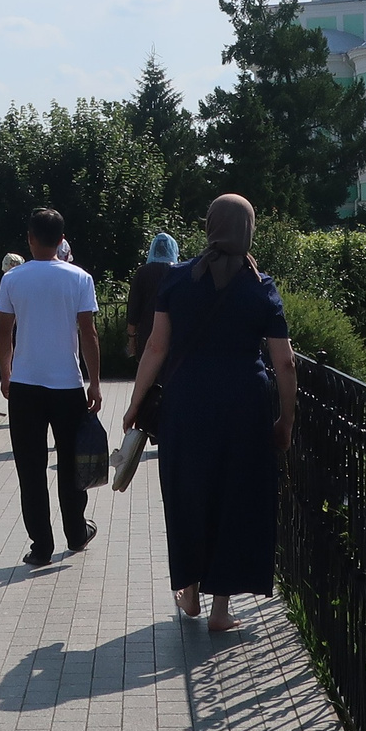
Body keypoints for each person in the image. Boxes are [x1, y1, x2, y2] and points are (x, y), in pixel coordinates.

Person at [124, 195, 293, 633]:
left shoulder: (177, 279)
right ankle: (222, 609)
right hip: (245, 409)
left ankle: (190, 590)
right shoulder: (260, 286)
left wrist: (135, 403)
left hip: (187, 406)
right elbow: (285, 362)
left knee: (189, 493)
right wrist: (286, 421)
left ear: (210, 226)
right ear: (248, 229)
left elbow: (156, 347)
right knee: (236, 498)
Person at [0, 207, 102, 567]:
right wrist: (94, 383)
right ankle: (76, 531)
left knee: (31, 467)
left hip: (25, 384)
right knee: (70, 462)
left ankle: (41, 545)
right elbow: (88, 333)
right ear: (61, 240)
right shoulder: (80, 278)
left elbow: (4, 332)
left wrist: (6, 374)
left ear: (30, 238)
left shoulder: (13, 279)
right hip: (67, 384)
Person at [126, 231, 181, 370]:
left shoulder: (142, 272)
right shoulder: (178, 272)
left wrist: (131, 339)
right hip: (173, 333)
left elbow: (133, 308)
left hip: (147, 333)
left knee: (149, 375)